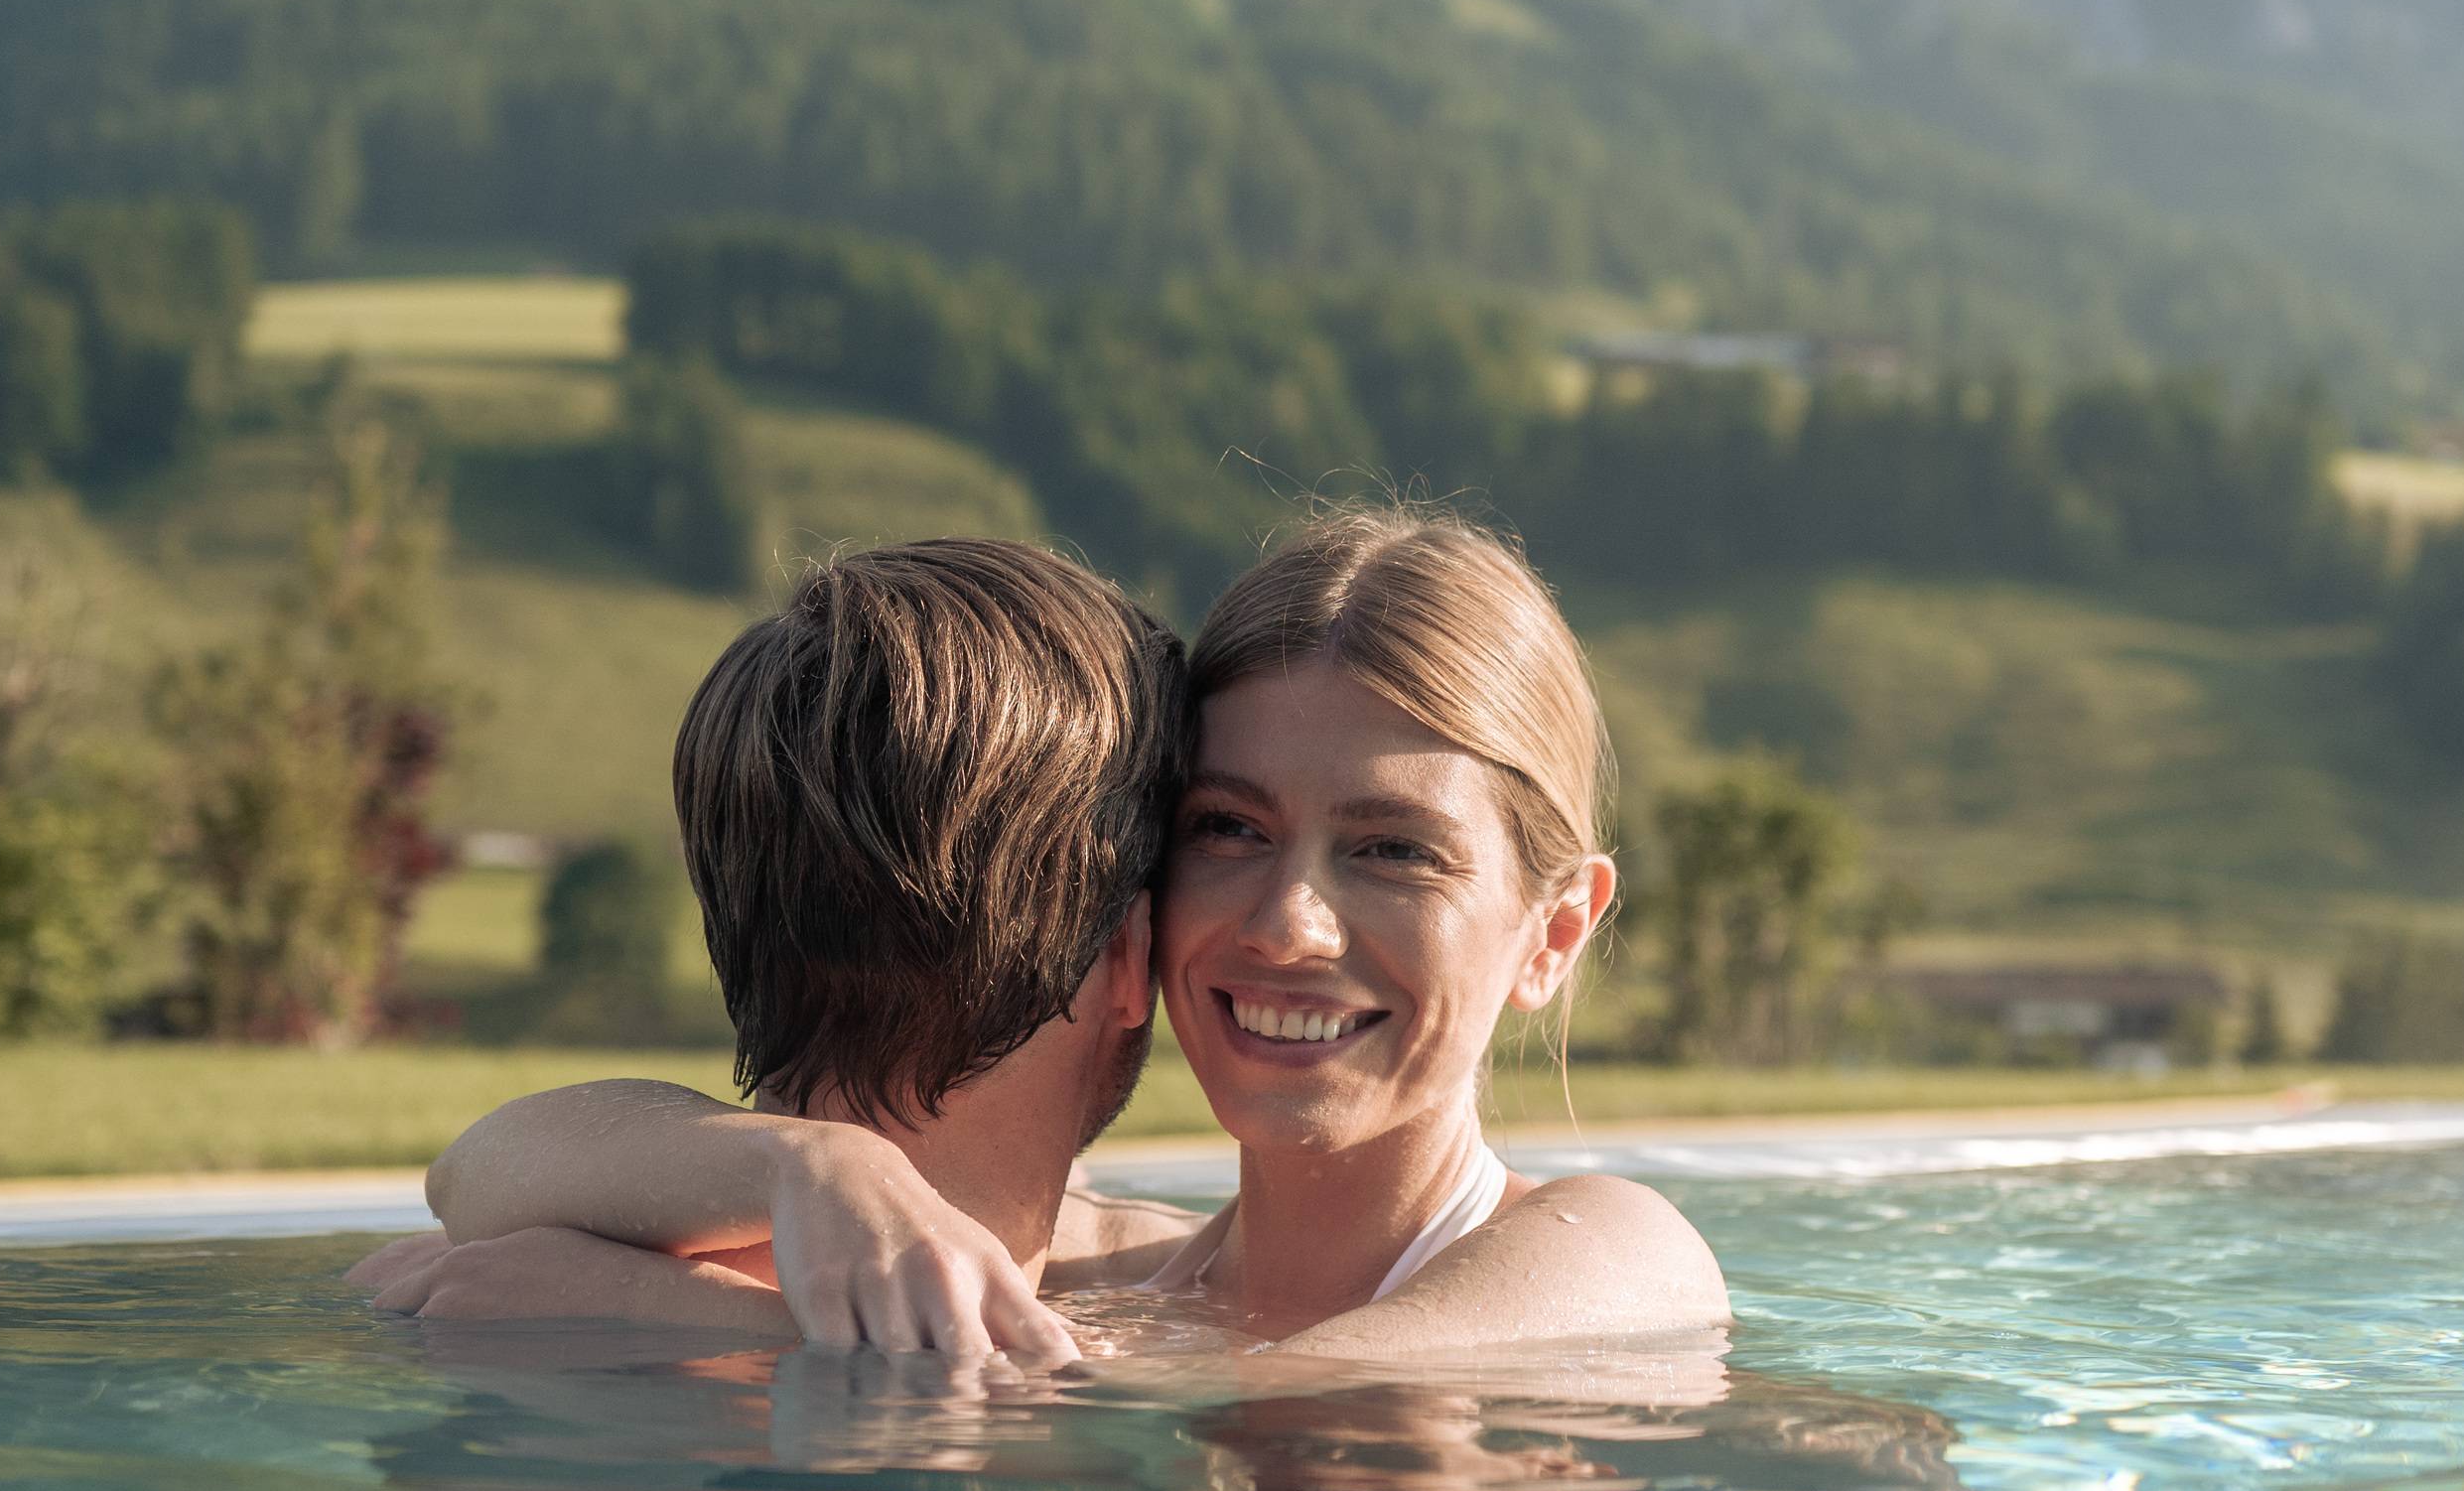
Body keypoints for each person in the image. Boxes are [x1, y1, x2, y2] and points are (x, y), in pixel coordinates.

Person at [355, 510, 1722, 1364]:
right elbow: (473, 1166)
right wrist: (810, 1167)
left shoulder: (1613, 1247)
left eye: (1392, 849)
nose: (1289, 920)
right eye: (1228, 830)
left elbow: (1305, 1398)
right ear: (1138, 926)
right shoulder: (1087, 1261)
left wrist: (658, 1316)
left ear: (1555, 932)